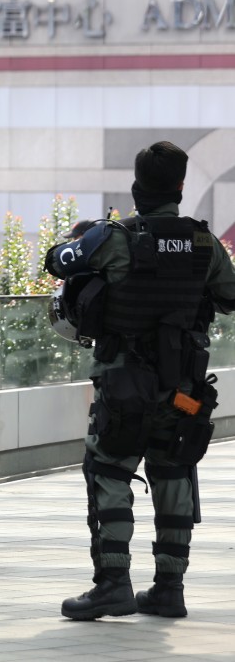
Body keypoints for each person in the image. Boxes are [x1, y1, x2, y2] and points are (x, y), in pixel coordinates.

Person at [45, 141, 235, 621]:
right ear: (181, 186)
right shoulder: (203, 244)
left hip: (122, 386)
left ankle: (112, 584)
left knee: (108, 469)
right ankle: (169, 588)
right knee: (175, 470)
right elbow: (232, 297)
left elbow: (58, 260)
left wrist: (85, 241)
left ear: (137, 185)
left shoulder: (115, 238)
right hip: (185, 393)